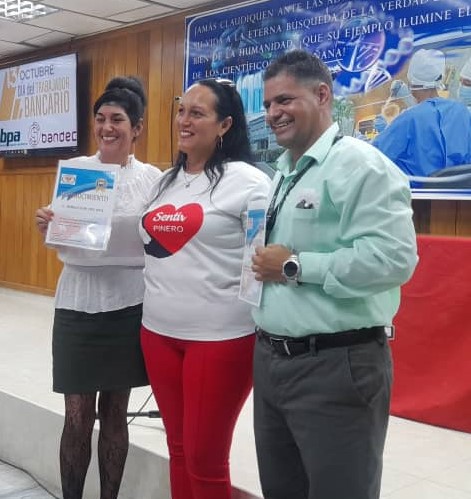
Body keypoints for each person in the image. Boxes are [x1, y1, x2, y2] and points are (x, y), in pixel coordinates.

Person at [251, 49, 418, 499]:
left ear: (322, 95)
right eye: (268, 104)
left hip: (336, 365)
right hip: (271, 361)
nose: (273, 113)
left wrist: (295, 265)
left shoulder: (363, 167)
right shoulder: (283, 172)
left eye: (285, 100)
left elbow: (393, 259)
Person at [139, 78, 270, 499]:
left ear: (225, 125)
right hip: (157, 332)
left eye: (197, 113)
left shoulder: (250, 182)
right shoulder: (164, 182)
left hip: (219, 339)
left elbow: (259, 263)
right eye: (182, 111)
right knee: (177, 449)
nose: (184, 120)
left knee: (205, 458)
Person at [35, 76, 162, 499]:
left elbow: (156, 241)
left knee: (114, 413)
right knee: (76, 415)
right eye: (101, 118)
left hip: (128, 306)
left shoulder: (152, 180)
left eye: (118, 119)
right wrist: (48, 225)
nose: (107, 127)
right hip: (77, 304)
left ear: (136, 128)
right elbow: (65, 239)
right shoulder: (77, 172)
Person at [374, 48, 471, 178]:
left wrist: (380, 133)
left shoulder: (408, 119)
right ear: (440, 78)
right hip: (459, 189)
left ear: (411, 83)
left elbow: (375, 158)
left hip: (418, 190)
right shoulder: (462, 112)